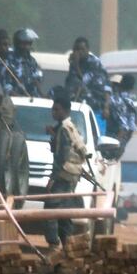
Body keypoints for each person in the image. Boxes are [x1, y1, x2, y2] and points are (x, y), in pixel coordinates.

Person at [44, 96, 87, 253]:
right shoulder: (69, 126)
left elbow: (62, 156)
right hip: (71, 174)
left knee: (51, 210)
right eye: (53, 109)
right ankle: (68, 244)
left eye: (57, 109)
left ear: (66, 110)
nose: (53, 112)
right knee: (64, 211)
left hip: (63, 174)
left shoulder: (64, 129)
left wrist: (52, 179)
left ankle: (54, 246)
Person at [65, 37, 111, 128]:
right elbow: (71, 83)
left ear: (87, 50)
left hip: (96, 108)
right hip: (78, 107)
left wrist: (107, 107)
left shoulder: (94, 63)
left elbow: (86, 81)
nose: (79, 52)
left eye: (82, 49)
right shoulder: (74, 64)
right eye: (77, 49)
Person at [105, 74, 136, 158]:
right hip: (118, 145)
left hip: (110, 143)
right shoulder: (130, 102)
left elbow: (124, 127)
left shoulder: (114, 100)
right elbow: (131, 128)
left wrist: (114, 145)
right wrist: (122, 145)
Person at [4, 28, 42, 97]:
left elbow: (37, 81)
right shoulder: (9, 60)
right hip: (14, 101)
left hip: (32, 100)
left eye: (29, 44)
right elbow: (7, 87)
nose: (27, 47)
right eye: (24, 44)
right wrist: (20, 97)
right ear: (17, 43)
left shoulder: (32, 61)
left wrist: (42, 95)